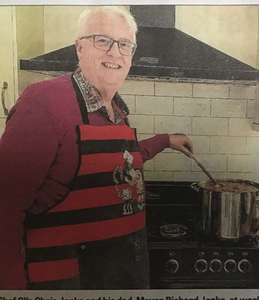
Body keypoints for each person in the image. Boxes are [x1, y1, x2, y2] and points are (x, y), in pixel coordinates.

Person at [0, 6, 194, 290]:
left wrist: (165, 141)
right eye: (102, 40)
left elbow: (115, 165)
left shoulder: (116, 110)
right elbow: (4, 207)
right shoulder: (44, 103)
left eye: (124, 44)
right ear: (79, 47)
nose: (115, 53)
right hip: (68, 283)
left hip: (121, 275)